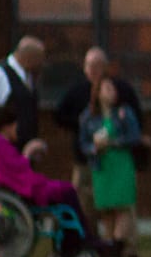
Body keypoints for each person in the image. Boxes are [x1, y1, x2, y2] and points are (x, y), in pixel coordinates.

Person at [0, 104, 117, 257]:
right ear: (6, 126)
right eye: (14, 126)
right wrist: (28, 152)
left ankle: (78, 240)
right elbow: (15, 169)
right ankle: (79, 241)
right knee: (67, 191)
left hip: (22, 187)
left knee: (65, 190)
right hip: (23, 190)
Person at [54, 48, 143, 193]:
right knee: (83, 202)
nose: (92, 70)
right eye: (89, 65)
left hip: (116, 161)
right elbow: (59, 116)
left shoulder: (120, 90)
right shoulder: (77, 91)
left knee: (118, 205)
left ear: (105, 67)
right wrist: (80, 125)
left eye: (97, 66)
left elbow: (136, 122)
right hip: (85, 159)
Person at [80, 76, 145, 257]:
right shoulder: (89, 117)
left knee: (123, 205)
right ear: (98, 93)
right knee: (106, 208)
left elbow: (134, 137)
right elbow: (83, 142)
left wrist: (113, 142)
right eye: (107, 89)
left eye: (113, 89)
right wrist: (94, 147)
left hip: (121, 163)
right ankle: (109, 246)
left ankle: (116, 245)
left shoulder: (124, 113)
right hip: (102, 165)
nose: (111, 93)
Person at [0, 37, 45, 149]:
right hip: (2, 146)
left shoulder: (29, 76)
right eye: (38, 59)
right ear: (27, 57)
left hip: (24, 145)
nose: (40, 63)